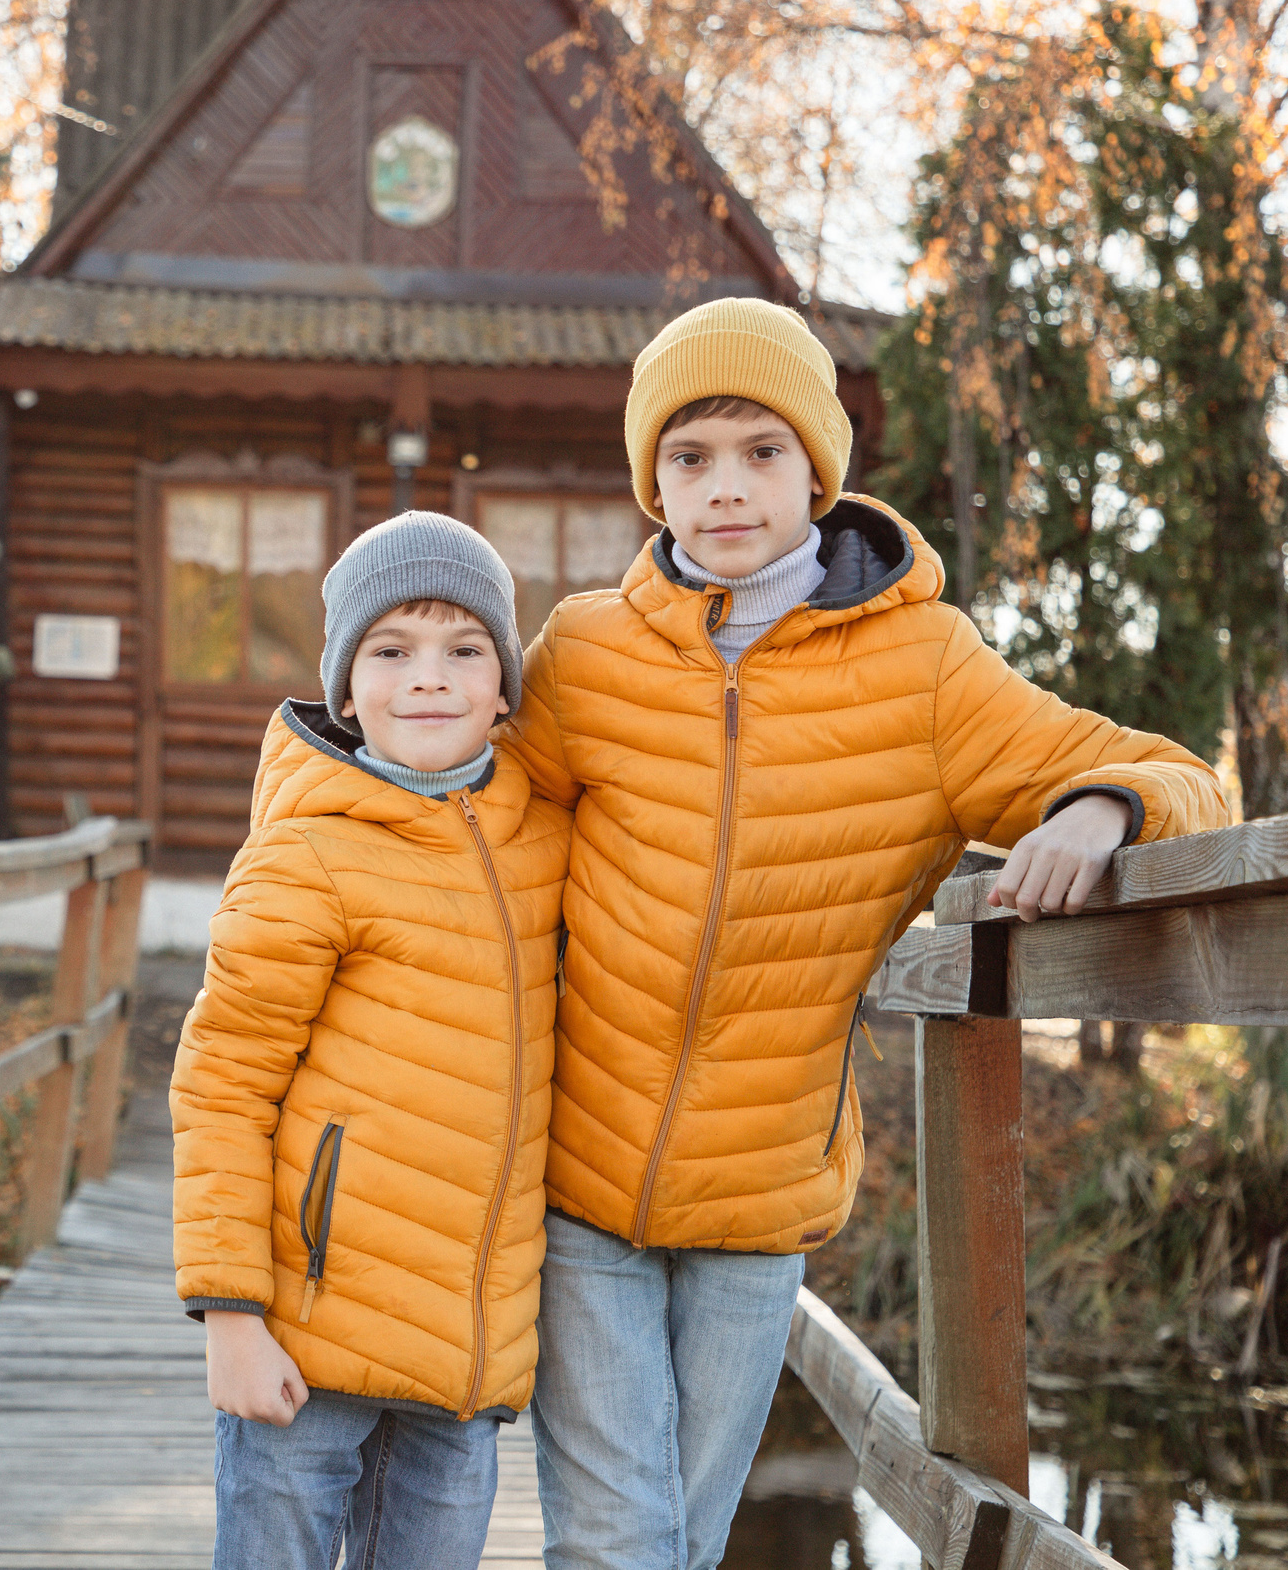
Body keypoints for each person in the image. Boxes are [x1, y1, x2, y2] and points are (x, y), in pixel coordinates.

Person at [512, 297, 1233, 1570]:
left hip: (760, 1197)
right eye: (688, 458)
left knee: (679, 1539)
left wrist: (1101, 807)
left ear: (815, 469)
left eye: (759, 452)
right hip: (577, 1179)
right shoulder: (583, 656)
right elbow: (478, 837)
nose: (724, 488)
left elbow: (1180, 773)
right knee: (616, 1539)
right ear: (652, 483)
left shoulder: (927, 673)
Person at [170, 512, 572, 1570]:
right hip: (308, 1341)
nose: (427, 679)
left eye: (463, 650)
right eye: (390, 651)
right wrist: (228, 1312)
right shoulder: (304, 857)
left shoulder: (544, 841)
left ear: (504, 690)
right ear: (346, 687)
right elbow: (221, 1086)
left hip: (463, 1354)